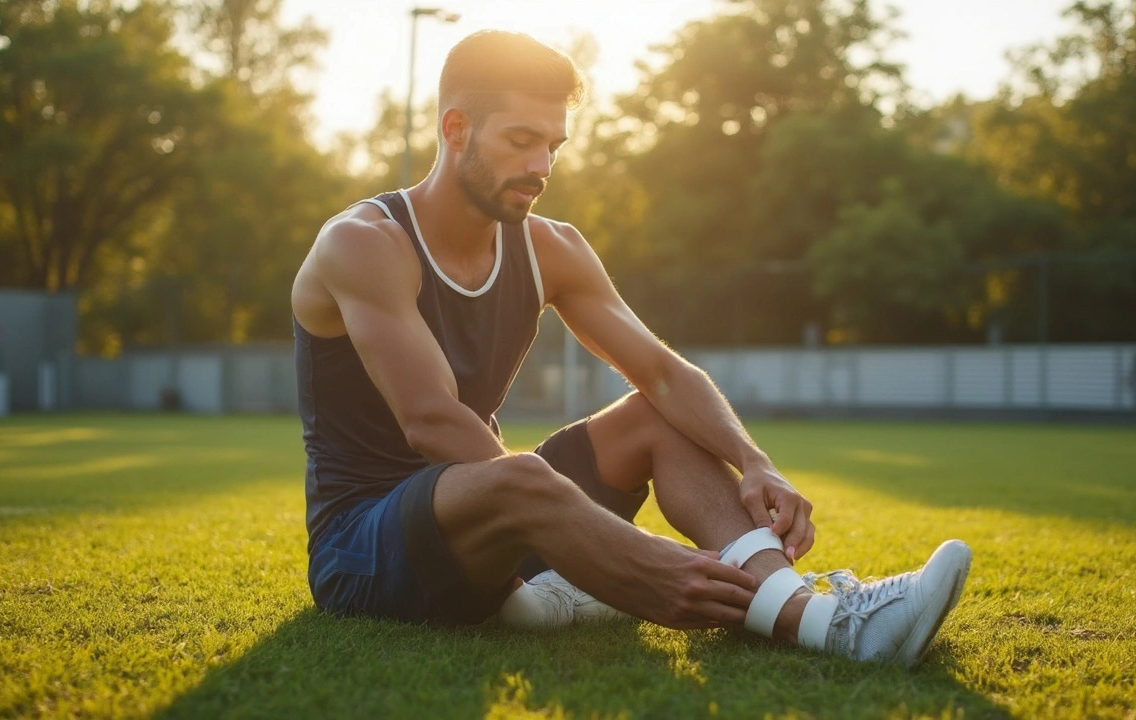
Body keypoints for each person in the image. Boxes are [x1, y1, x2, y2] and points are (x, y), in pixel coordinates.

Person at [290, 29, 971, 667]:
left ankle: (799, 605)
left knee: (652, 415)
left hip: (499, 519)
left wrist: (755, 461)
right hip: (364, 548)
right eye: (521, 140)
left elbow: (665, 374)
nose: (541, 166)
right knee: (519, 476)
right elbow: (431, 420)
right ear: (455, 129)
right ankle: (815, 625)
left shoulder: (552, 247)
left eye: (553, 145)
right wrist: (628, 551)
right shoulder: (364, 244)